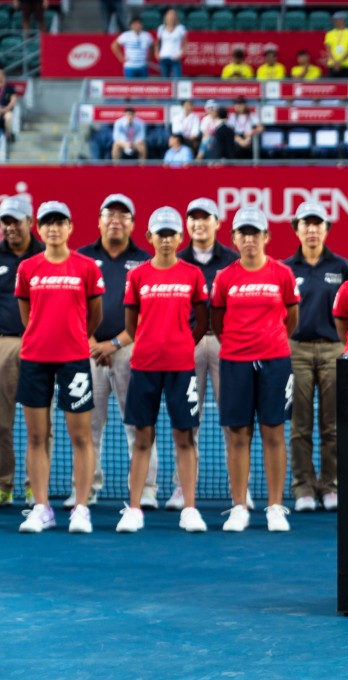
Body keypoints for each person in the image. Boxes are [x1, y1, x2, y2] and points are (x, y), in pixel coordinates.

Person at [117, 207, 209, 533]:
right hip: (144, 366)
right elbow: (131, 325)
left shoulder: (192, 275)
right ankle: (134, 509)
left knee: (185, 438)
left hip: (181, 367)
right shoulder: (137, 276)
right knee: (143, 439)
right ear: (149, 237)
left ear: (180, 237)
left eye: (171, 234)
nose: (166, 240)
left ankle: (190, 509)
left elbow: (202, 320)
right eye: (161, 234)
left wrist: (184, 343)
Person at [16, 201, 104, 534]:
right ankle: (41, 508)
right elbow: (27, 315)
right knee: (37, 436)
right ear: (39, 228)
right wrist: (41, 335)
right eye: (47, 223)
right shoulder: (28, 268)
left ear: (70, 228)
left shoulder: (86, 268)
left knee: (81, 436)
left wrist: (77, 337)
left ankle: (81, 508)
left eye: (60, 222)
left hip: (74, 359)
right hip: (35, 358)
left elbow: (94, 315)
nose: (53, 228)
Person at [210, 207, 299, 533]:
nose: (249, 239)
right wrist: (240, 345)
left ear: (266, 237)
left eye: (255, 233)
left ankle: (275, 506)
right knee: (238, 435)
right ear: (234, 239)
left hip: (275, 361)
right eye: (243, 233)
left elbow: (291, 318)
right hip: (234, 362)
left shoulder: (282, 274)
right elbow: (218, 321)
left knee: (274, 432)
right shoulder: (225, 278)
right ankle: (239, 507)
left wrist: (270, 342)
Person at [73, 193, 156, 509]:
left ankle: (146, 488)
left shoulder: (146, 262)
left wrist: (116, 342)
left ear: (133, 224)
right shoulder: (81, 258)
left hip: (130, 349)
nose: (116, 220)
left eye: (124, 215)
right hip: (88, 349)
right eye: (110, 214)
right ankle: (86, 488)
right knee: (87, 425)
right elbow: (73, 306)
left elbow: (148, 311)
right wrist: (93, 342)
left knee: (138, 423)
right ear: (99, 221)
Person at [174, 197, 244, 511]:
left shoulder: (234, 261)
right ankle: (181, 489)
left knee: (233, 418)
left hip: (225, 343)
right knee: (187, 418)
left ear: (217, 223)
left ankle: (238, 491)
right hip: (188, 343)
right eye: (194, 218)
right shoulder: (176, 261)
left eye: (206, 218)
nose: (199, 224)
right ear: (186, 225)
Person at [283, 201, 348, 513]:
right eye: (306, 224)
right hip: (295, 350)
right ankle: (303, 488)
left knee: (332, 425)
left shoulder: (341, 267)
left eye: (317, 224)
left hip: (332, 350)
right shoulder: (286, 268)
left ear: (326, 229)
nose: (312, 230)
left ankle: (331, 485)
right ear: (296, 229)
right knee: (299, 425)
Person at [0, 196, 43, 507]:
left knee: (39, 424)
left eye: (16, 221)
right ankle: (4, 485)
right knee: (1, 421)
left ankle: (34, 487)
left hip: (43, 346)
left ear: (31, 222)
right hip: (3, 344)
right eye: (5, 222)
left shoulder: (47, 255)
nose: (10, 227)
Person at [325, 12, 348, 78]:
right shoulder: (329, 34)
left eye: (336, 20)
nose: (334, 22)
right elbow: (328, 50)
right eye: (333, 20)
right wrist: (335, 62)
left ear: (342, 20)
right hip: (333, 65)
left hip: (346, 65)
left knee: (346, 85)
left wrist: (339, 62)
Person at [156, 8, 186, 79]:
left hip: (175, 57)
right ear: (166, 16)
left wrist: (181, 54)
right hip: (164, 57)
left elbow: (185, 44)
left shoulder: (181, 28)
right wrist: (157, 54)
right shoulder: (161, 28)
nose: (171, 16)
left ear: (176, 17)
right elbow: (157, 43)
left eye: (173, 14)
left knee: (177, 80)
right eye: (169, 14)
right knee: (164, 80)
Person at [0, 68, 18, 145]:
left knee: (8, 118)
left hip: (7, 110)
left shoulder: (10, 88)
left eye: (1, 75)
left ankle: (8, 136)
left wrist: (5, 109)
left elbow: (13, 101)